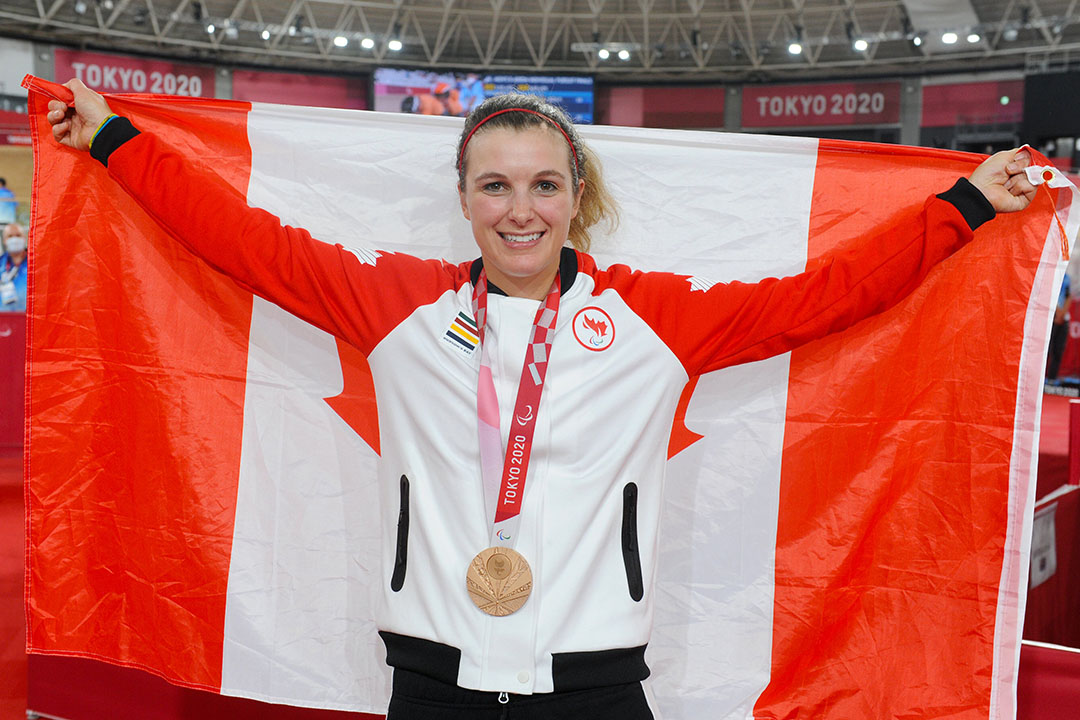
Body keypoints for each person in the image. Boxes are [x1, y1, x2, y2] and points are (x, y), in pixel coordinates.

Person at [46, 78, 1037, 719]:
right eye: (494, 186)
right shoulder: (399, 304)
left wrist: (965, 206)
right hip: (433, 678)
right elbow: (242, 240)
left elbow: (825, 297)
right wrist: (115, 138)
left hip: (596, 683)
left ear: (575, 195)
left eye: (543, 185)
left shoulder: (650, 320)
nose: (520, 211)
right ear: (466, 198)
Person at [1, 222, 28, 313]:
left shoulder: (35, 263)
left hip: (28, 319)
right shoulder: (1, 263)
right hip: (3, 320)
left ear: (24, 238)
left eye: (18, 235)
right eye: (10, 236)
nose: (14, 239)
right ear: (4, 240)